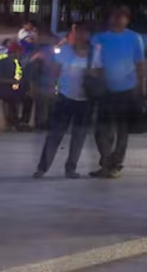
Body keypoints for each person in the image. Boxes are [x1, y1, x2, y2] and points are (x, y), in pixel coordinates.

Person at [90, 6, 147, 179]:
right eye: (114, 16)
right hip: (105, 90)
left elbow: (139, 64)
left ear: (127, 19)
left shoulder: (134, 38)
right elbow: (95, 64)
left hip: (127, 89)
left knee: (122, 130)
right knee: (102, 130)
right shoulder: (99, 38)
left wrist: (141, 86)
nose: (117, 20)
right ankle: (106, 163)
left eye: (121, 17)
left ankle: (115, 164)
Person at [34, 24, 96, 179]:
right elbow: (56, 70)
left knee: (79, 136)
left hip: (85, 99)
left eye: (84, 32)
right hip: (64, 96)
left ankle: (71, 168)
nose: (80, 36)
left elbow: (100, 73)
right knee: (55, 134)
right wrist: (52, 89)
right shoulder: (66, 50)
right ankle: (43, 167)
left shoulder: (95, 53)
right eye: (78, 32)